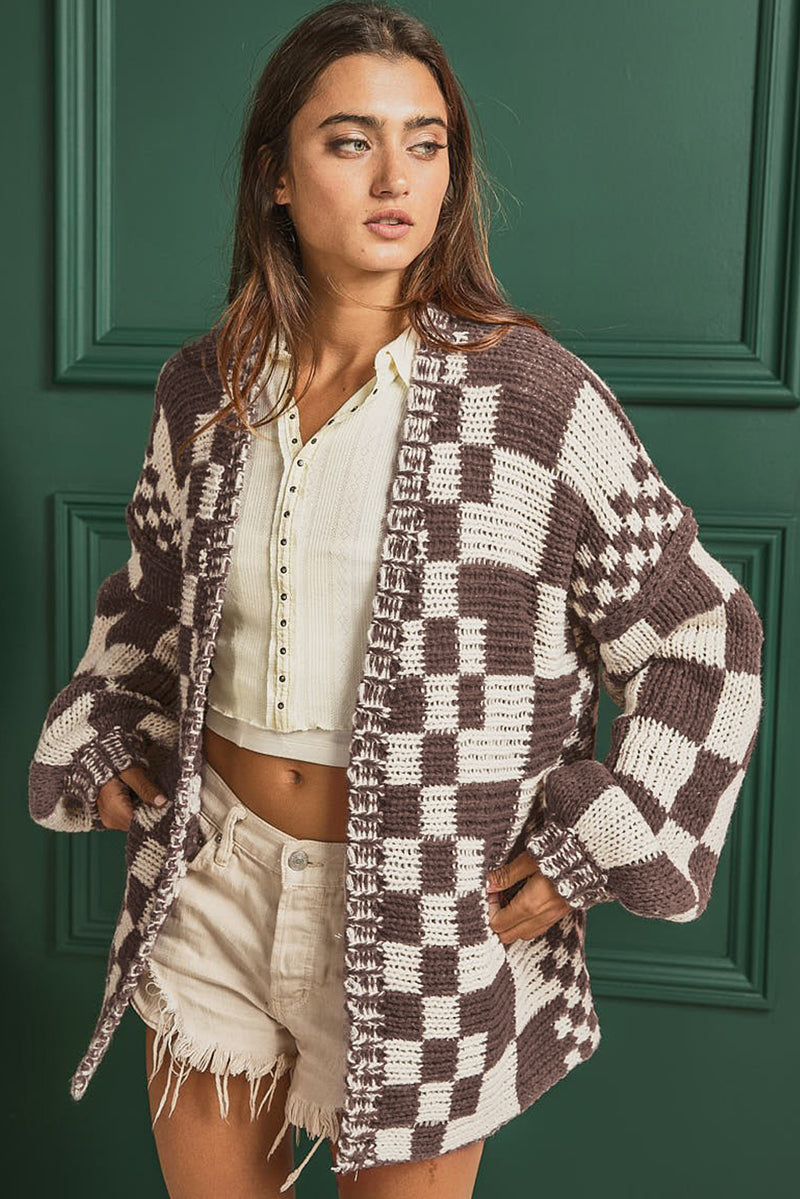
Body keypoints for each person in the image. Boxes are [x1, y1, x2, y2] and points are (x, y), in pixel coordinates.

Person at [27, 2, 765, 1197]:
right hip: (211, 877)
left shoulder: (530, 401)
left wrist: (593, 845)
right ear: (274, 174)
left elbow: (702, 636)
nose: (396, 177)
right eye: (349, 140)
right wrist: (105, 726)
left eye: (426, 143)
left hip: (430, 907)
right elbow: (152, 605)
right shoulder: (202, 392)